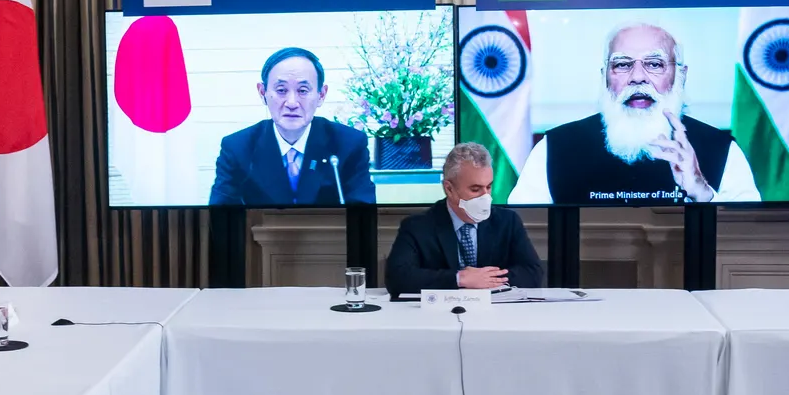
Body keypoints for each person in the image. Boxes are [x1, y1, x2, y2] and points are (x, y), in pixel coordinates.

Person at [512, 22, 759, 203]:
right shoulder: (554, 148)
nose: (638, 77)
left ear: (680, 76)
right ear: (605, 77)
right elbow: (523, 232)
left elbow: (748, 241)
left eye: (654, 64)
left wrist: (702, 191)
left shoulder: (722, 150)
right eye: (622, 64)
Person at [208, 47, 376, 206]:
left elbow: (363, 216)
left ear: (321, 95)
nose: (292, 103)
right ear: (262, 92)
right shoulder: (237, 148)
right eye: (281, 90)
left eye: (303, 91)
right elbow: (221, 217)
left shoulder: (349, 144)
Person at [385, 142, 544, 296]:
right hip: (439, 315)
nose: (485, 197)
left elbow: (533, 272)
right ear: (449, 188)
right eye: (475, 189)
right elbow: (397, 278)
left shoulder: (507, 221)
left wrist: (486, 279)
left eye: (488, 187)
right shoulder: (418, 226)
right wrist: (460, 278)